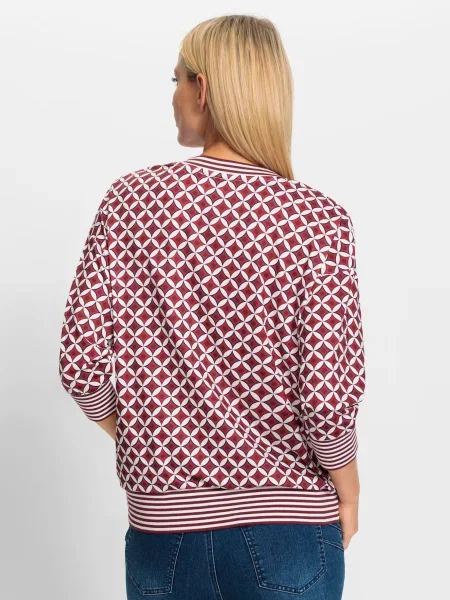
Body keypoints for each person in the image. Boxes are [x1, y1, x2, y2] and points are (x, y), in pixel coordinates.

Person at [58, 14, 366, 600]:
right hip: (289, 528)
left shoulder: (129, 202)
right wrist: (348, 490)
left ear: (202, 88)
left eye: (175, 80)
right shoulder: (318, 220)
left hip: (163, 534)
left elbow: (81, 367)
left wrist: (145, 436)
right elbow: (327, 401)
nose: (172, 96)